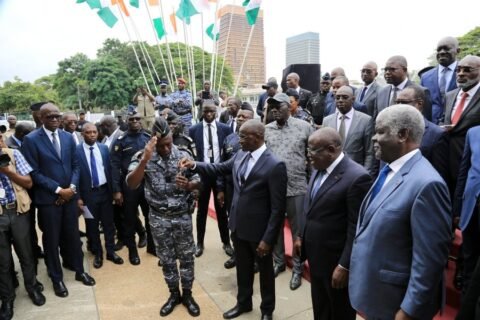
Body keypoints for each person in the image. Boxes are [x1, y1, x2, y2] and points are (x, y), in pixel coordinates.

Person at [349, 104, 452, 319]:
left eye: (380, 131)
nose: (374, 138)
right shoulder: (389, 169)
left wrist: (408, 310)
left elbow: (430, 260)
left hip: (395, 305)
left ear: (403, 134)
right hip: (376, 296)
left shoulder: (427, 184)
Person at [180, 120, 287, 320]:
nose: (239, 140)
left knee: (264, 275)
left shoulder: (275, 165)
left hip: (260, 232)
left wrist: (268, 239)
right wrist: (194, 164)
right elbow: (219, 168)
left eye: (243, 136)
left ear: (257, 137)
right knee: (243, 270)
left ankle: (266, 311)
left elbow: (278, 208)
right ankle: (243, 303)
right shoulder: (240, 154)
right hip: (238, 226)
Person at [294, 127, 371, 320]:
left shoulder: (357, 177)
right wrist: (300, 235)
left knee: (339, 312)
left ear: (331, 149)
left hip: (336, 262)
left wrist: (345, 266)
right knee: (321, 308)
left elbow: (357, 228)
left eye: (312, 151)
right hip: (316, 256)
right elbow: (309, 206)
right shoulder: (318, 167)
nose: (308, 156)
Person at [126, 118, 201, 317]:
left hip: (182, 216)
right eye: (161, 146)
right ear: (153, 142)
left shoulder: (183, 154)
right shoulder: (143, 156)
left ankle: (187, 295)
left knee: (186, 258)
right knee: (167, 260)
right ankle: (173, 294)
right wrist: (145, 160)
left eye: (169, 144)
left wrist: (189, 185)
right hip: (159, 219)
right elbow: (131, 183)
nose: (167, 149)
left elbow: (198, 179)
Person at [21, 103, 95, 298]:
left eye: (57, 116)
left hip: (69, 197)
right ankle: (57, 278)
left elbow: (76, 166)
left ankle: (79, 271)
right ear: (41, 118)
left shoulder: (67, 137)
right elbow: (33, 172)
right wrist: (58, 190)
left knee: (72, 236)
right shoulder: (31, 140)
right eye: (49, 116)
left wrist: (70, 189)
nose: (54, 119)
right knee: (52, 241)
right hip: (48, 201)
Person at [265, 93, 314, 290]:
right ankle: (278, 262)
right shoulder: (266, 130)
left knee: (298, 231)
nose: (275, 110)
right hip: (273, 189)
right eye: (272, 107)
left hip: (298, 186)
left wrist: (312, 184)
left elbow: (311, 157)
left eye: (279, 106)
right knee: (275, 228)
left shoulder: (303, 127)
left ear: (289, 107)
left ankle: (297, 268)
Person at [0, 138, 46, 320]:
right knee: (2, 261)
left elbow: (28, 183)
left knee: (26, 254)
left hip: (18, 211)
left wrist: (7, 171)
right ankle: (7, 299)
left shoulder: (14, 154)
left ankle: (32, 287)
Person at [188, 101, 233, 258]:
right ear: (201, 111)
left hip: (219, 173)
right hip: (202, 175)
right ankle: (199, 243)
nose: (208, 114)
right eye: (206, 111)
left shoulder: (225, 129)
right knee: (202, 211)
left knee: (222, 210)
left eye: (212, 111)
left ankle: (226, 242)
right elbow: (192, 154)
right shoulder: (193, 130)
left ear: (216, 111)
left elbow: (228, 154)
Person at [76, 123, 124, 269]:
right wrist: (78, 197)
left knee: (109, 224)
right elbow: (75, 175)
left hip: (105, 192)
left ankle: (110, 252)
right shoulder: (76, 151)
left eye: (94, 132)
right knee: (92, 226)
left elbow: (110, 170)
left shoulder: (103, 148)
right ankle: (98, 254)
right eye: (88, 132)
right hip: (88, 195)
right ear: (82, 134)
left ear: (98, 133)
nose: (92, 134)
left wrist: (116, 190)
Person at [110, 112, 153, 265]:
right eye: (131, 119)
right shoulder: (120, 141)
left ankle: (152, 247)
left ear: (141, 121)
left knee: (150, 217)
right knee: (129, 220)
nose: (135, 121)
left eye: (137, 119)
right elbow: (114, 166)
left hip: (148, 184)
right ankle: (132, 252)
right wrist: (116, 190)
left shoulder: (148, 137)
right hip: (129, 186)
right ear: (127, 121)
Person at [218, 108, 255, 269]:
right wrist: (220, 189)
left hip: (251, 192)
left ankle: (253, 258)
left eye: (244, 117)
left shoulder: (259, 140)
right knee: (232, 222)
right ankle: (237, 254)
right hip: (231, 188)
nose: (240, 119)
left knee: (251, 223)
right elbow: (221, 166)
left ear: (252, 120)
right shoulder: (229, 139)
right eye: (238, 116)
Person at [443, 55, 480, 197]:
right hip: (446, 158)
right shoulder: (450, 95)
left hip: (471, 163)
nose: (461, 73)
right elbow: (444, 118)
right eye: (458, 70)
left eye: (467, 70)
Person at [395, 85, 449, 181]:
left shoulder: (437, 134)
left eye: (403, 102)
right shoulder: (391, 129)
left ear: (419, 103)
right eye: (397, 102)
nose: (399, 106)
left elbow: (439, 174)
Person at [322, 86, 375, 176]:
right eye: (337, 97)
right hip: (331, 172)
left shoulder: (365, 120)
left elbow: (370, 152)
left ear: (353, 99)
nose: (340, 100)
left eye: (345, 97)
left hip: (355, 173)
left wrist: (366, 174)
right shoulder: (327, 120)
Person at [454, 124, 480, 296]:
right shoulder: (473, 132)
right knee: (469, 256)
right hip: (472, 205)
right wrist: (457, 208)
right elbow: (463, 172)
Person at [375, 55, 432, 121]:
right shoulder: (381, 93)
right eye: (385, 70)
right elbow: (376, 119)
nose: (387, 73)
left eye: (392, 69)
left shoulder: (421, 92)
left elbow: (426, 121)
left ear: (404, 70)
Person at [421, 37, 459, 124]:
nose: (441, 52)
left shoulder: (468, 72)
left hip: (458, 128)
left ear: (458, 50)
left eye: (446, 49)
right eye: (439, 50)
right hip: (433, 127)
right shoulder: (425, 77)